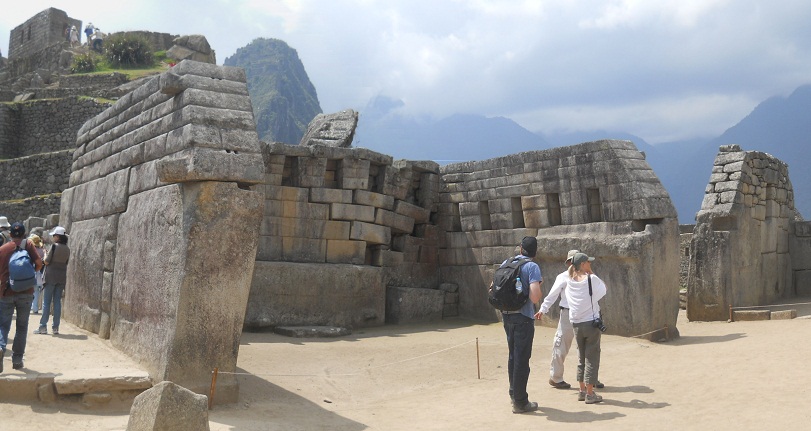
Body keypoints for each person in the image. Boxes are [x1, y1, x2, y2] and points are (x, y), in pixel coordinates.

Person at [535, 249, 604, 390]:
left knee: (588, 349)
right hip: (568, 315)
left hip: (586, 315)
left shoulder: (588, 277)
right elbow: (552, 295)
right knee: (561, 345)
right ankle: (556, 377)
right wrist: (543, 309)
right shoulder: (563, 277)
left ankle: (590, 379)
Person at [493, 236, 543, 414]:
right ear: (534, 251)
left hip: (507, 316)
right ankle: (521, 402)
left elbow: (493, 287)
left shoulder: (507, 262)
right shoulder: (531, 266)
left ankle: (514, 394)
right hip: (523, 317)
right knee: (522, 359)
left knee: (513, 356)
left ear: (521, 249)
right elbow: (535, 296)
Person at [0, 222, 44, 372]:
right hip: (26, 291)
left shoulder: (3, 249)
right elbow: (39, 263)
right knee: (22, 327)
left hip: (5, 292)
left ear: (10, 234)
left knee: (3, 325)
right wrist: (31, 273)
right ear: (24, 234)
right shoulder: (29, 245)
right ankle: (17, 360)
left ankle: (0, 347)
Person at [565, 252, 607, 404]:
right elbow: (603, 290)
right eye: (588, 262)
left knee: (581, 358)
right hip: (590, 322)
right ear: (582, 264)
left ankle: (582, 390)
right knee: (592, 358)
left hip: (576, 324)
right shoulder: (591, 279)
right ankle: (590, 393)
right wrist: (591, 274)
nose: (590, 264)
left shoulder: (569, 281)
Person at [35, 226, 70, 336]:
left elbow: (46, 261)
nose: (53, 237)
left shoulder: (54, 247)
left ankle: (43, 327)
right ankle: (55, 327)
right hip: (61, 277)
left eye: (54, 235)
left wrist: (45, 253)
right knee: (57, 302)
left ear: (58, 237)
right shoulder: (67, 249)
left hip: (50, 277)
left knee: (46, 302)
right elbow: (66, 263)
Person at [28, 234, 45, 314]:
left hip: (31, 272)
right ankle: (35, 308)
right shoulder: (42, 251)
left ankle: (31, 307)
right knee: (37, 291)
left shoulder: (31, 251)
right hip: (39, 273)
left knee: (30, 291)